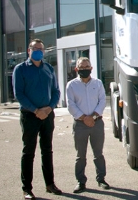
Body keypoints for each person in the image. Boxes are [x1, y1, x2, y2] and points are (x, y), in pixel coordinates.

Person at [13, 39, 63, 200]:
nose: (39, 51)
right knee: (29, 152)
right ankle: (27, 188)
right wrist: (35, 110)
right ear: (29, 50)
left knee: (47, 150)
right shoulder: (20, 69)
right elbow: (19, 94)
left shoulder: (48, 68)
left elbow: (56, 91)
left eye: (41, 49)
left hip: (47, 115)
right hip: (30, 116)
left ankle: (50, 184)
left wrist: (49, 108)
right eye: (35, 48)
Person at [66, 57, 109, 193]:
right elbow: (70, 105)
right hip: (80, 124)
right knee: (80, 155)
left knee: (98, 154)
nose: (84, 69)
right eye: (81, 67)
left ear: (91, 68)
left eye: (87, 67)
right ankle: (80, 181)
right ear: (76, 69)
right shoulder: (71, 85)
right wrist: (85, 118)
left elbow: (102, 100)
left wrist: (94, 117)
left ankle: (101, 179)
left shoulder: (98, 83)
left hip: (97, 123)